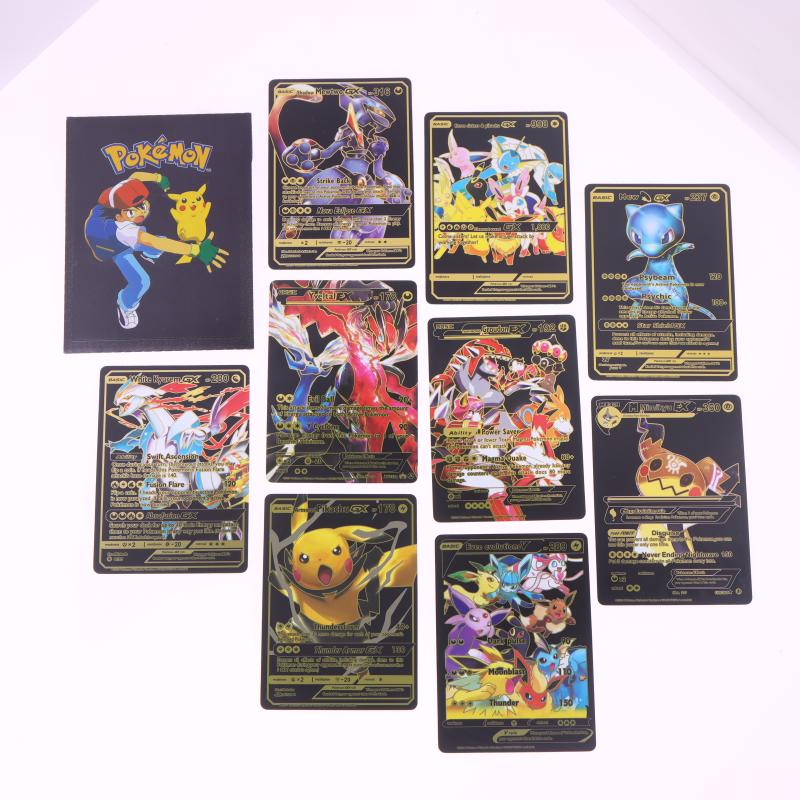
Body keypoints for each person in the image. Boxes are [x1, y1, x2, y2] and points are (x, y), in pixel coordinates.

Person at [84, 172, 227, 329]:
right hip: (112, 247)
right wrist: (195, 250)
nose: (142, 213)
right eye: (132, 212)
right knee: (141, 281)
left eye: (143, 206)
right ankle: (125, 304)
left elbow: (135, 176)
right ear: (119, 216)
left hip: (115, 232)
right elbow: (155, 241)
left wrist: (158, 178)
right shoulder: (122, 230)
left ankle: (148, 254)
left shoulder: (119, 193)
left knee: (156, 243)